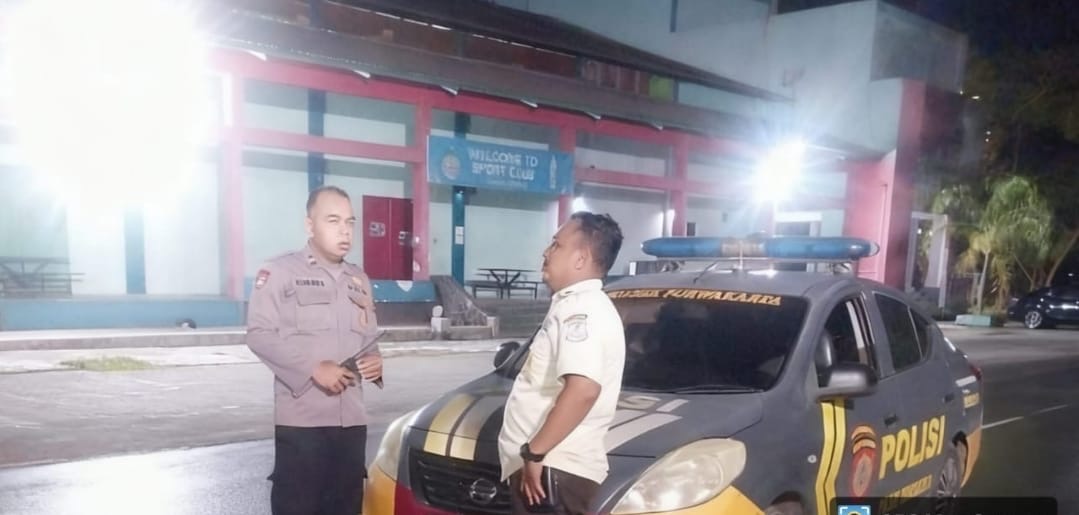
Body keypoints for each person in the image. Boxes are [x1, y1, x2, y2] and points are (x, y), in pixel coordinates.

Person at [246, 185, 384, 515]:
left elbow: (369, 338)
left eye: (350, 222)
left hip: (351, 422)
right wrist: (312, 368)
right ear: (310, 225)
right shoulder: (280, 272)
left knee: (346, 507)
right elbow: (259, 334)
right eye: (333, 221)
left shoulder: (359, 279)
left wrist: (376, 361)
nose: (345, 231)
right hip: (303, 423)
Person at [497, 211, 626, 515]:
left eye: (556, 245)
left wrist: (535, 452)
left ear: (580, 259)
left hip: (553, 468)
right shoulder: (575, 305)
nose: (546, 252)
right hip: (551, 467)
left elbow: (583, 389)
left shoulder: (581, 311)